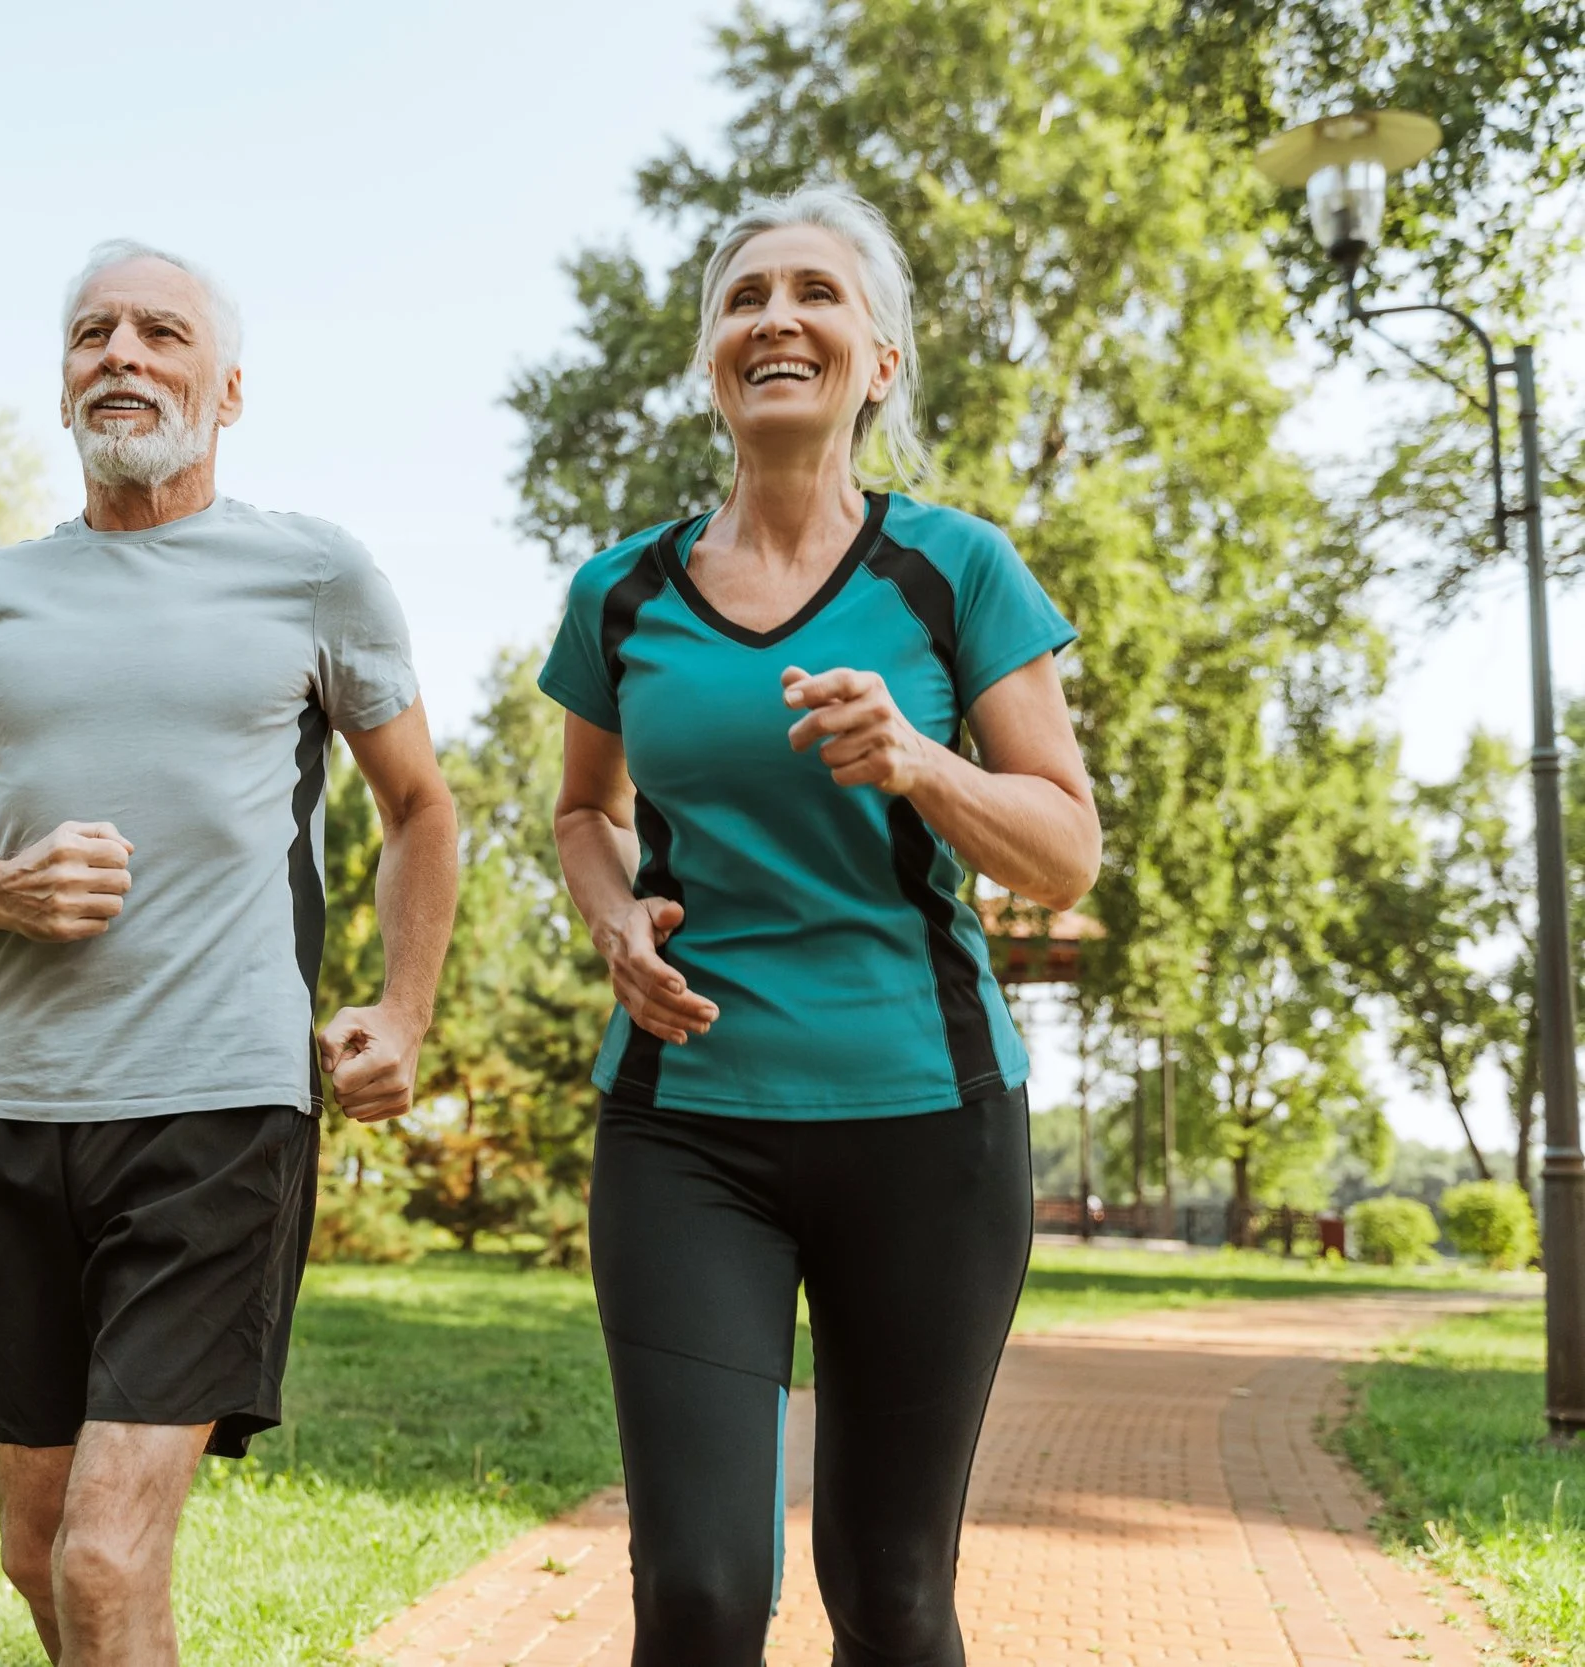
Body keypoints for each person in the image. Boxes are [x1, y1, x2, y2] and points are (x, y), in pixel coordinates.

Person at [0, 240, 458, 1666]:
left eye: (161, 332)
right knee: (40, 1550)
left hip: (217, 1108)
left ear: (227, 386)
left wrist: (404, 1008)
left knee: (109, 1552)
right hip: (9, 1113)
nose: (121, 352)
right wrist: (1, 886)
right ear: (64, 379)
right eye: (93, 332)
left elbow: (422, 806)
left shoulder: (314, 572)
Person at [540, 185, 1100, 1665]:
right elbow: (580, 812)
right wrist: (613, 918)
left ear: (880, 360)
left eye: (815, 293)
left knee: (894, 1589)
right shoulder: (622, 593)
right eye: (743, 298)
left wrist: (921, 759)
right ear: (711, 359)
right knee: (702, 1590)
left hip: (929, 1122)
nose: (776, 317)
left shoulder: (955, 570)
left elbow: (1065, 850)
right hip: (685, 1126)